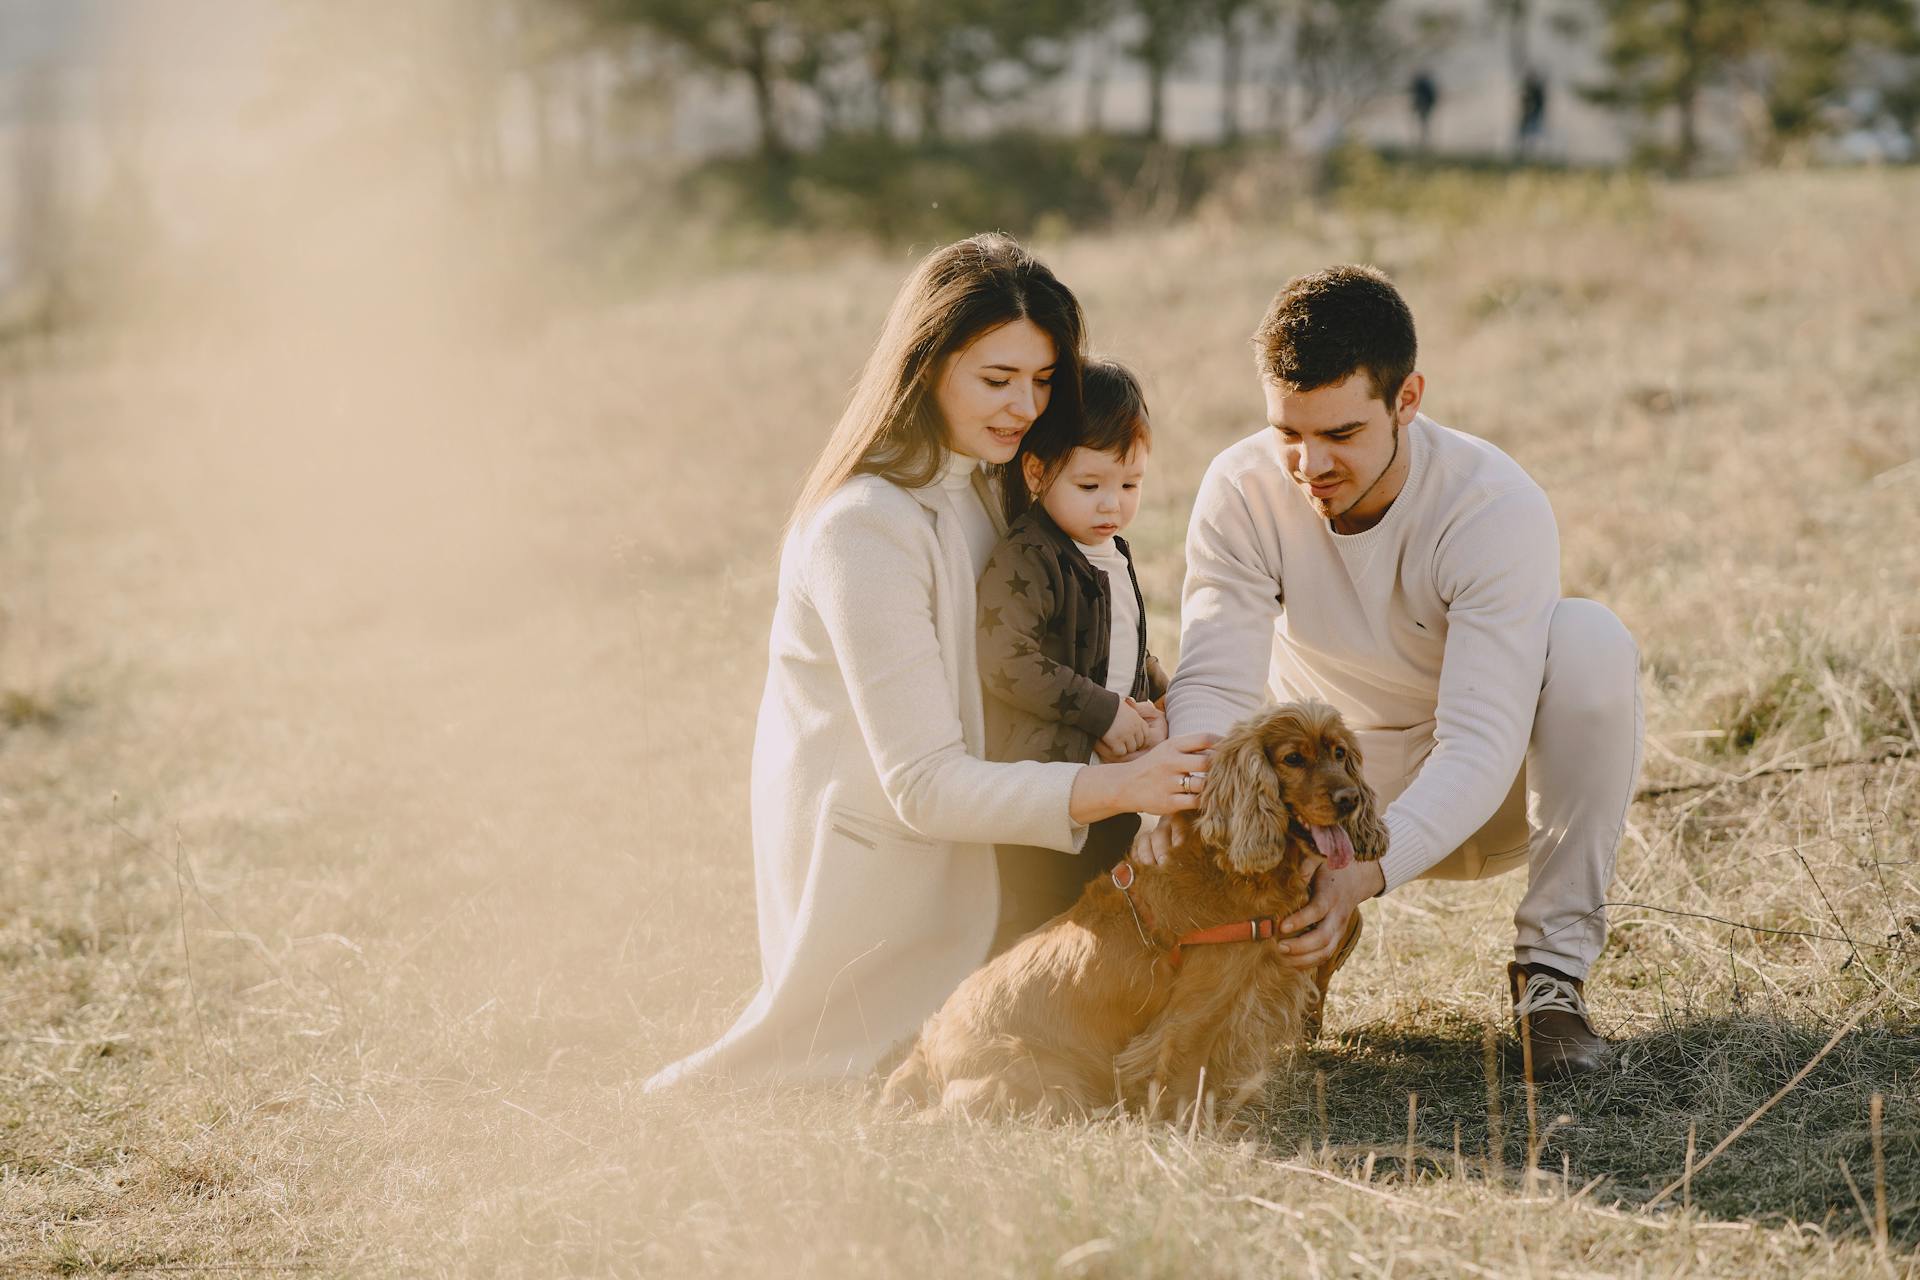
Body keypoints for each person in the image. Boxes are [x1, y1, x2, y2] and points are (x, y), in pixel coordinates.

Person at [644, 235, 1215, 1090]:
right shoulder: (863, 527)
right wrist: (1125, 788)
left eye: (1044, 380)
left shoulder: (999, 481)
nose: (1025, 405)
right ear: (927, 365)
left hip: (1017, 848)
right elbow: (922, 784)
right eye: (997, 380)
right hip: (898, 885)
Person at [1147, 265, 1641, 1078]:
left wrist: (1368, 875)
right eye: (1288, 433)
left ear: (1407, 400)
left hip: (1490, 796)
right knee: (1199, 732)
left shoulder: (1490, 503)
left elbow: (1481, 742)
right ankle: (1274, 958)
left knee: (1593, 641)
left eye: (1341, 435)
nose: (1310, 465)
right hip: (1321, 795)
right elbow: (1215, 686)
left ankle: (1550, 984)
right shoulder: (1241, 488)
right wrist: (1214, 823)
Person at [976, 359, 1169, 953]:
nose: (1112, 505)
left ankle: (1099, 1017)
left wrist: (1160, 697)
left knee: (1110, 909)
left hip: (1112, 786)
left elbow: (1123, 646)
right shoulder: (1030, 557)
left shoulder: (1111, 549)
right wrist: (1105, 712)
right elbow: (1006, 659)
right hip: (1046, 793)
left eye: (1130, 485)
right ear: (1036, 472)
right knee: (1041, 922)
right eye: (1090, 486)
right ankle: (1009, 1025)